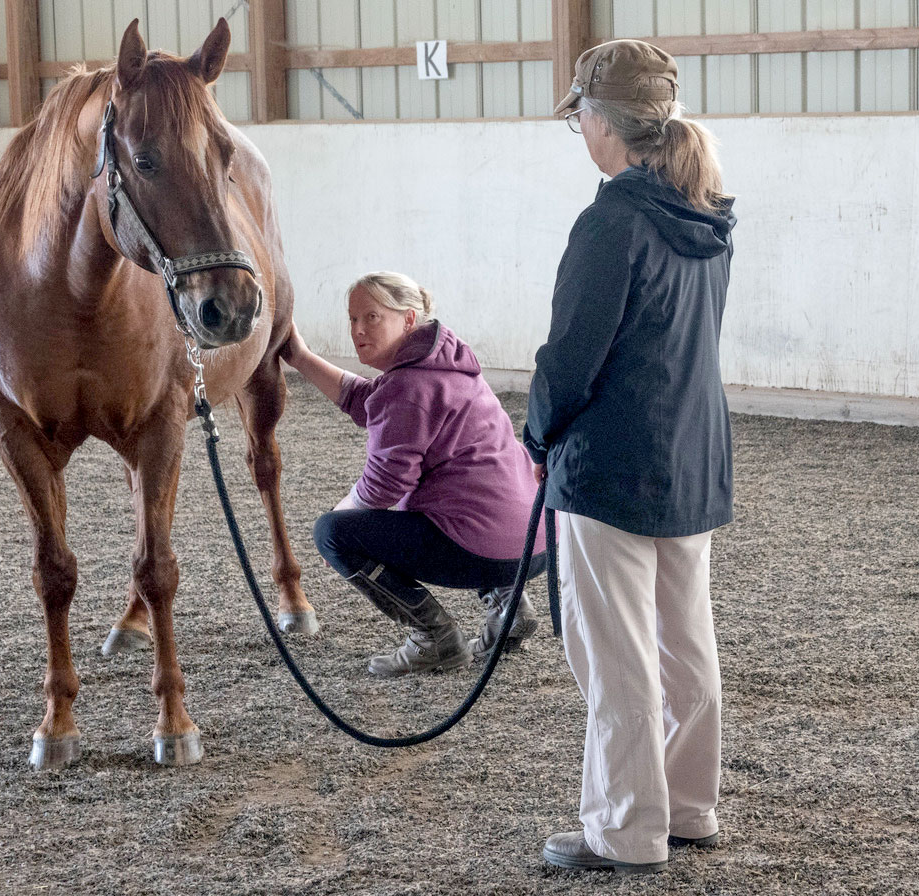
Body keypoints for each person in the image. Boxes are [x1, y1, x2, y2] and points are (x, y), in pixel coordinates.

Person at [524, 40, 737, 874]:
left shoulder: (611, 218)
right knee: (686, 647)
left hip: (612, 466)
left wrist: (538, 435)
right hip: (691, 455)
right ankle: (688, 808)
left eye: (580, 115)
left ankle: (624, 830)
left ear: (604, 123)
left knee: (615, 659)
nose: (578, 130)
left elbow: (571, 358)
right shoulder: (708, 211)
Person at [279, 271, 545, 678]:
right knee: (472, 493)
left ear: (408, 319)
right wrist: (300, 357)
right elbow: (367, 399)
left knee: (332, 533)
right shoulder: (448, 362)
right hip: (534, 543)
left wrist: (339, 516)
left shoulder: (407, 387)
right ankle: (510, 606)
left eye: (372, 317)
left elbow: (384, 485)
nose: (358, 330)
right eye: (353, 319)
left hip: (484, 549)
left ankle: (434, 639)